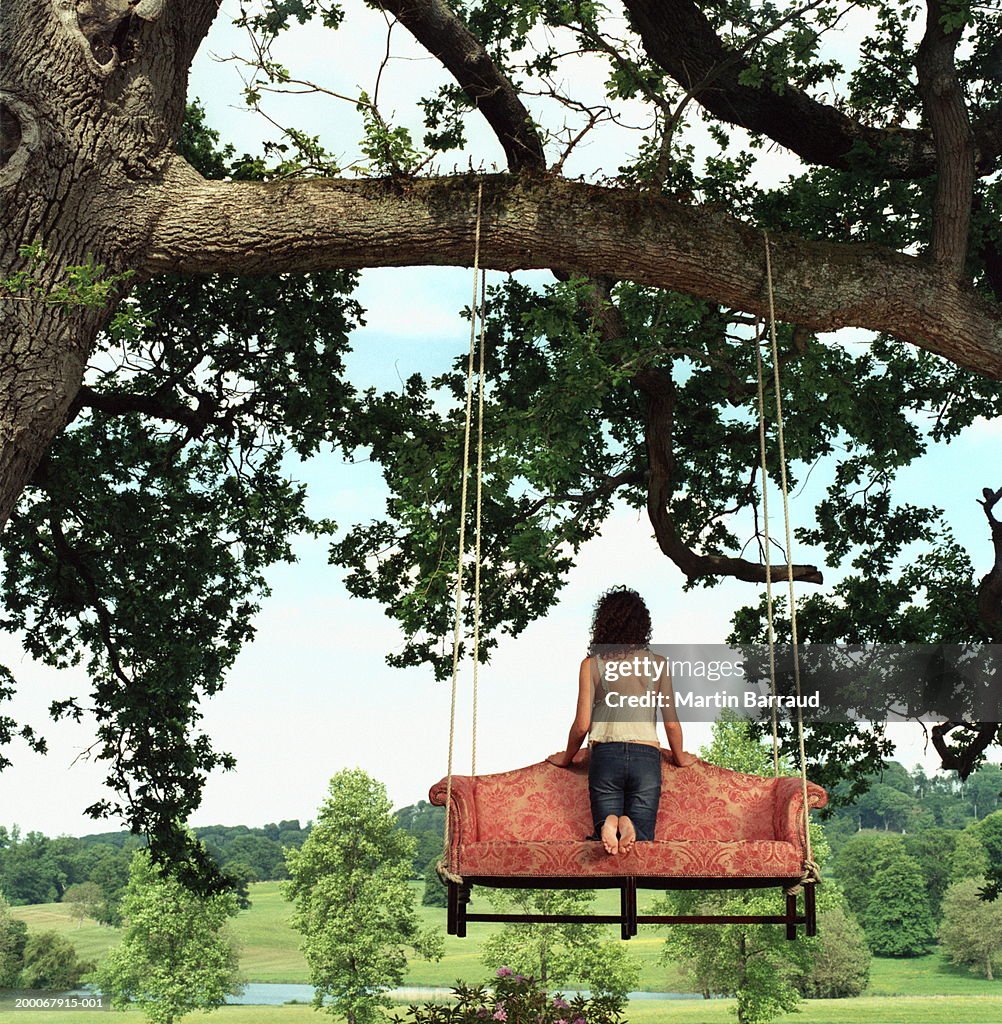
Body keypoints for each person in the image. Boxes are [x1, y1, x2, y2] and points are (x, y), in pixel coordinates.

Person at [547, 587, 697, 855]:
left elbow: (582, 725)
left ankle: (610, 822)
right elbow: (671, 723)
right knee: (642, 841)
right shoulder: (659, 664)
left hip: (606, 755)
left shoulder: (592, 664)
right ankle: (628, 824)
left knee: (603, 840)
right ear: (643, 625)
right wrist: (680, 757)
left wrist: (567, 758)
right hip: (646, 756)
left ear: (603, 623)